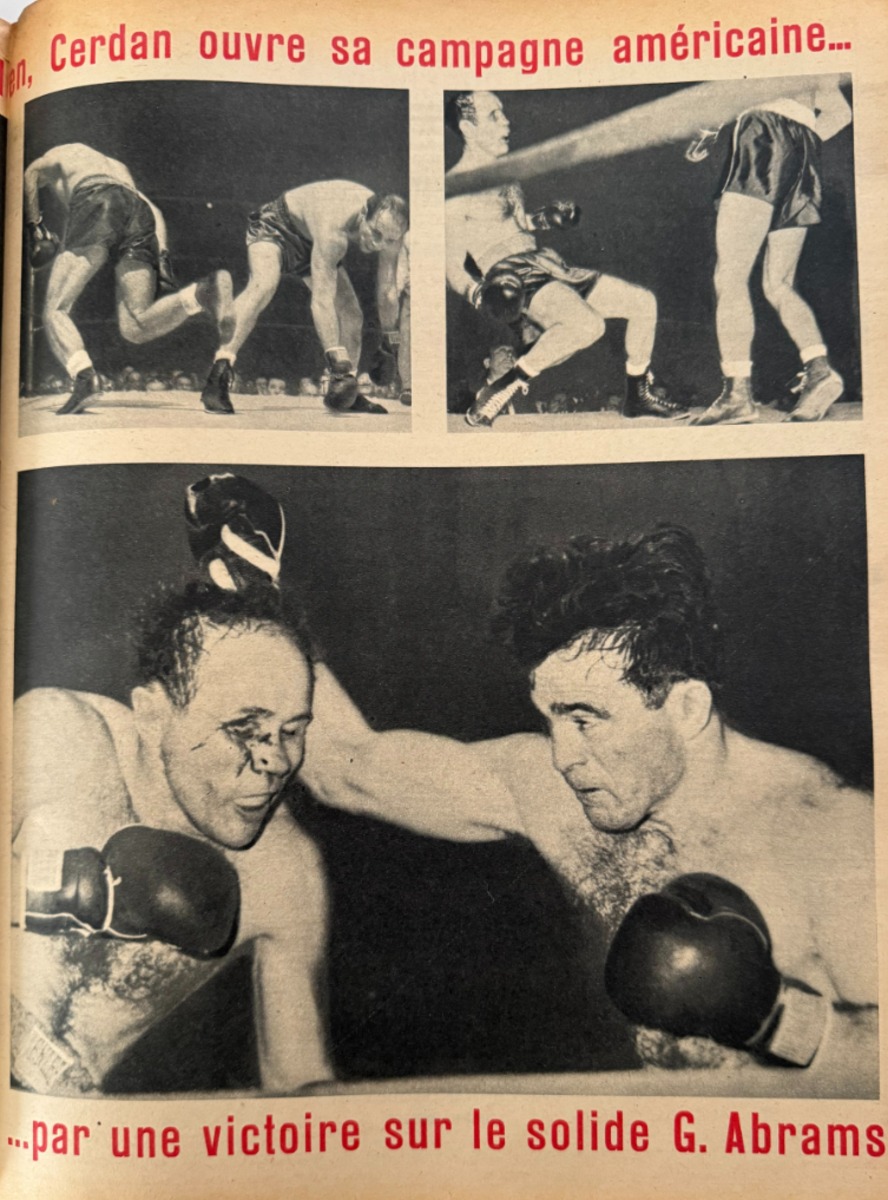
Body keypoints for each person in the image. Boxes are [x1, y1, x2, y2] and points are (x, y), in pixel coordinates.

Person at [303, 523, 876, 1096]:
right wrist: (259, 590)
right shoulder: (556, 795)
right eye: (549, 720)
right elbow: (344, 768)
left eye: (584, 720)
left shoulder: (828, 834)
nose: (562, 755)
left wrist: (776, 1020)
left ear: (687, 707)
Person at [11, 477, 330, 1097]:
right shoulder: (60, 736)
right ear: (153, 714)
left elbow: (299, 1091)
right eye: (245, 728)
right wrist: (61, 886)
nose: (273, 763)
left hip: (61, 1130)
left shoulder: (286, 874)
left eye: (293, 730)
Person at [445, 92, 686, 427]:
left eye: (503, 113)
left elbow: (513, 224)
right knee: (588, 325)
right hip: (513, 272)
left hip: (548, 263)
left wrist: (545, 219)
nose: (506, 122)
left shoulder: (505, 174)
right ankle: (504, 386)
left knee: (642, 302)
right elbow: (451, 265)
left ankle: (636, 394)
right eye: (493, 116)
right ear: (468, 129)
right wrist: (481, 295)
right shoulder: (456, 188)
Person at [24, 143, 234, 416]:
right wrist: (163, 258)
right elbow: (151, 209)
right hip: (138, 213)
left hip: (98, 202)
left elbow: (29, 174)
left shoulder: (64, 153)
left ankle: (84, 377)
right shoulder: (117, 168)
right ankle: (200, 294)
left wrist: (35, 225)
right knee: (136, 324)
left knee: (55, 309)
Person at [691, 79, 853, 424]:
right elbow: (840, 113)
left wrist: (707, 131)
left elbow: (728, 96)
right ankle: (819, 369)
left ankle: (737, 394)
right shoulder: (813, 50)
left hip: (763, 133)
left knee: (730, 275)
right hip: (806, 151)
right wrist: (797, 145)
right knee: (778, 283)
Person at [200, 183, 408, 415]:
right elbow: (321, 301)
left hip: (311, 237)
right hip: (278, 224)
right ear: (362, 216)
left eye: (388, 240)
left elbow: (388, 291)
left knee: (351, 312)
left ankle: (348, 393)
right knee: (263, 285)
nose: (378, 244)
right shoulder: (334, 231)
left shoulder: (392, 234)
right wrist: (336, 362)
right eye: (375, 233)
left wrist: (390, 342)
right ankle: (218, 374)